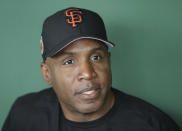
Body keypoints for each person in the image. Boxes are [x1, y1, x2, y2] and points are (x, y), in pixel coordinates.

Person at [2, 7, 180, 131]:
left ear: (108, 61)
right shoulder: (24, 114)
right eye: (69, 61)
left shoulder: (154, 125)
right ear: (47, 73)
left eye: (96, 57)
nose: (87, 73)